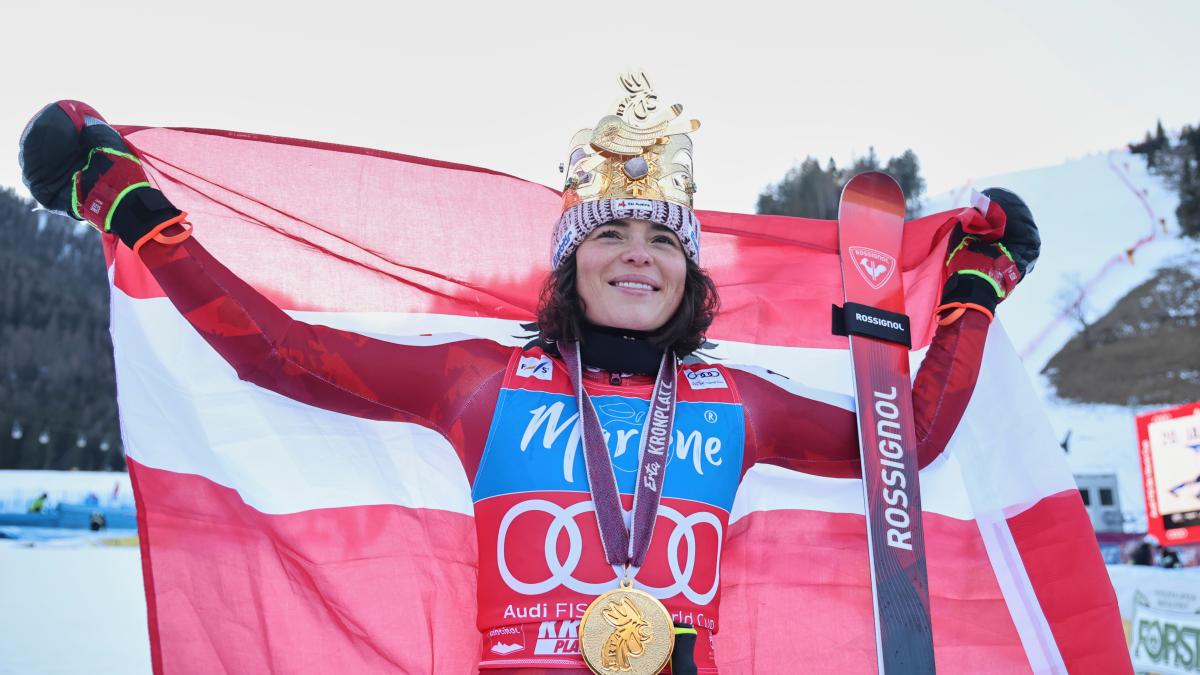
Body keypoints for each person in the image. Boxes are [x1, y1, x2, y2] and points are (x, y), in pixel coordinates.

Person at [18, 73, 1038, 675]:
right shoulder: (480, 382)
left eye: (662, 239)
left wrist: (974, 294)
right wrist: (133, 209)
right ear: (570, 264)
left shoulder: (742, 405)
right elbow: (274, 353)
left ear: (689, 272)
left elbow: (907, 442)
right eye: (612, 233)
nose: (638, 253)